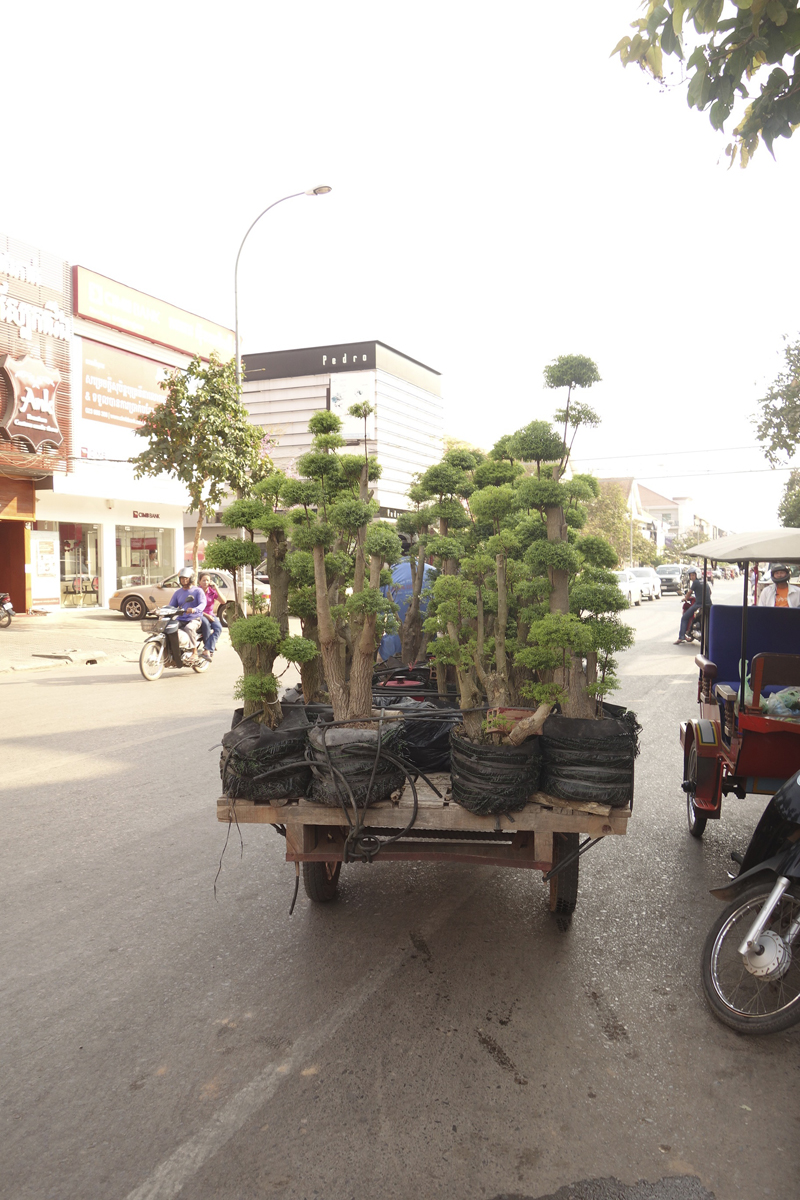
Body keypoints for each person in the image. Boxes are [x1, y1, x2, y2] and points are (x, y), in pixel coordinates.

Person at [168, 566, 206, 653]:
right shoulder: (177, 593)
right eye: (182, 578)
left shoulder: (198, 591)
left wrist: (194, 609)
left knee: (189, 628)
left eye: (186, 578)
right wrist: (161, 611)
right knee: (169, 628)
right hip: (181, 618)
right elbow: (172, 606)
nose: (184, 580)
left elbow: (203, 604)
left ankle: (194, 651)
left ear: (191, 579)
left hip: (194, 619)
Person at [675, 567, 712, 644]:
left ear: (697, 575)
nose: (691, 577)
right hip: (709, 605)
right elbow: (710, 592)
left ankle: (681, 637)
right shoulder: (705, 581)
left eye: (693, 575)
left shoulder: (695, 583)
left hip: (698, 604)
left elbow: (689, 592)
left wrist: (685, 598)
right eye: (690, 575)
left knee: (684, 618)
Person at [197, 572, 223, 660]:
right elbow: (195, 607)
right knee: (206, 624)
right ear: (199, 581)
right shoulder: (197, 592)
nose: (205, 582)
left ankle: (207, 649)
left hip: (211, 615)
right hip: (200, 614)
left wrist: (216, 588)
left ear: (210, 581)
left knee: (218, 628)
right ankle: (209, 648)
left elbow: (223, 601)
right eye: (203, 580)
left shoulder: (211, 592)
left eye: (207, 580)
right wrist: (207, 616)